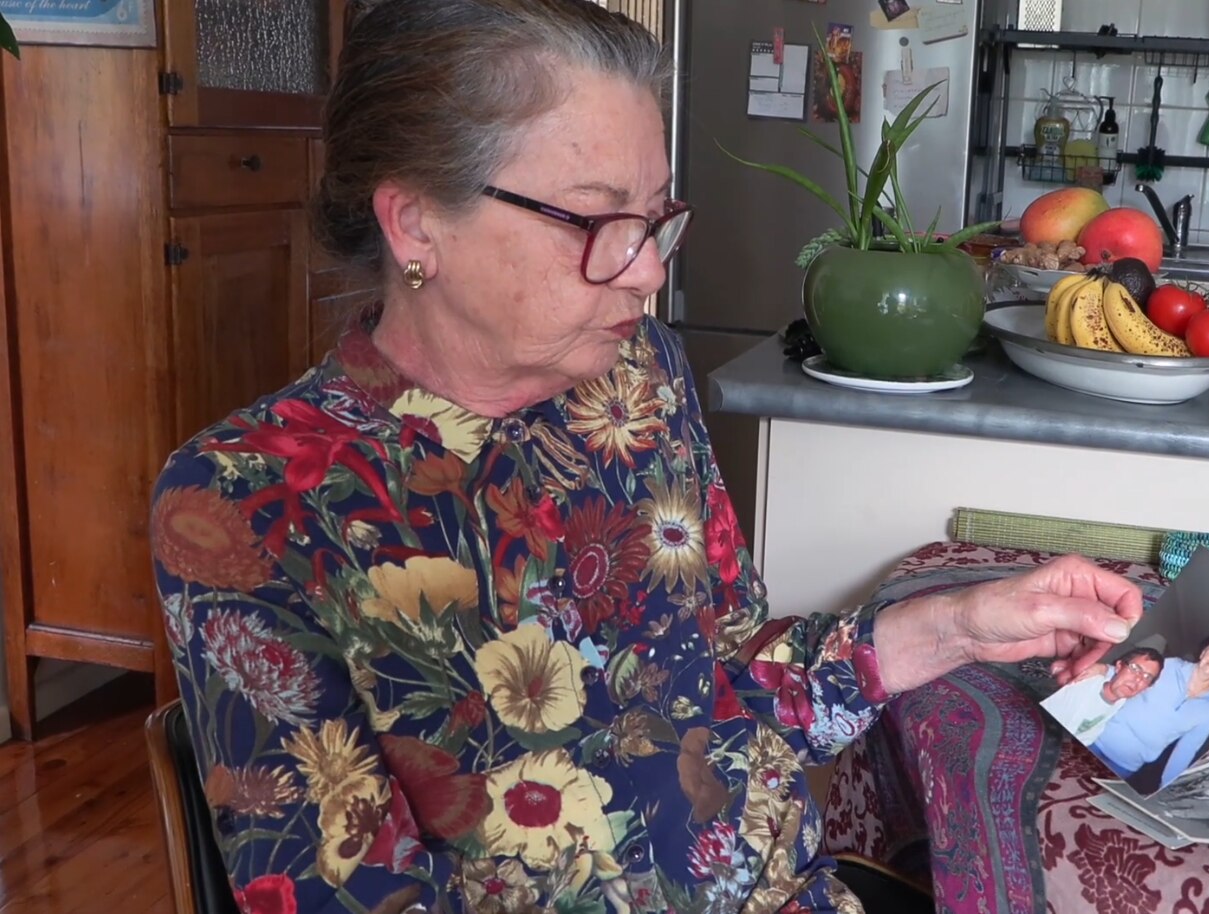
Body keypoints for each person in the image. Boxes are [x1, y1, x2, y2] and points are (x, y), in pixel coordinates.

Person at [144, 3, 1144, 913]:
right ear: (415, 223)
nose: (651, 270)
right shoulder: (251, 500)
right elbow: (343, 893)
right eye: (598, 219)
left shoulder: (636, 382)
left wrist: (963, 624)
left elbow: (737, 682)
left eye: (656, 216)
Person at [1088, 630, 1209, 790]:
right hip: (1095, 740)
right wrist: (1104, 669)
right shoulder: (1171, 666)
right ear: (1204, 652)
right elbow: (1131, 675)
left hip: (1125, 766)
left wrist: (1166, 786)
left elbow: (1187, 748)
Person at [1040, 646, 1163, 744]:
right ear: (1119, 667)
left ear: (1146, 688)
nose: (1138, 679)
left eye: (1147, 677)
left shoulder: (1119, 703)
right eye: (1135, 668)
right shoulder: (1085, 682)